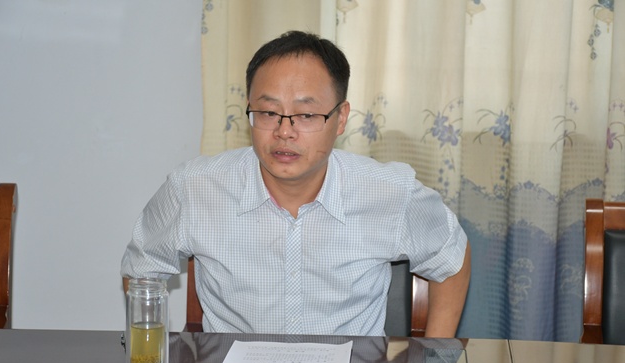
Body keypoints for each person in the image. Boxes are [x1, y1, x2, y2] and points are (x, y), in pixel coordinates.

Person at [121, 30, 470, 337]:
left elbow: (451, 256)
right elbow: (141, 271)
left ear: (341, 118)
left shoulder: (390, 192)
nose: (284, 132)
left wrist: (435, 360)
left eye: (305, 115)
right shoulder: (194, 188)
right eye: (268, 112)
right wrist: (155, 361)